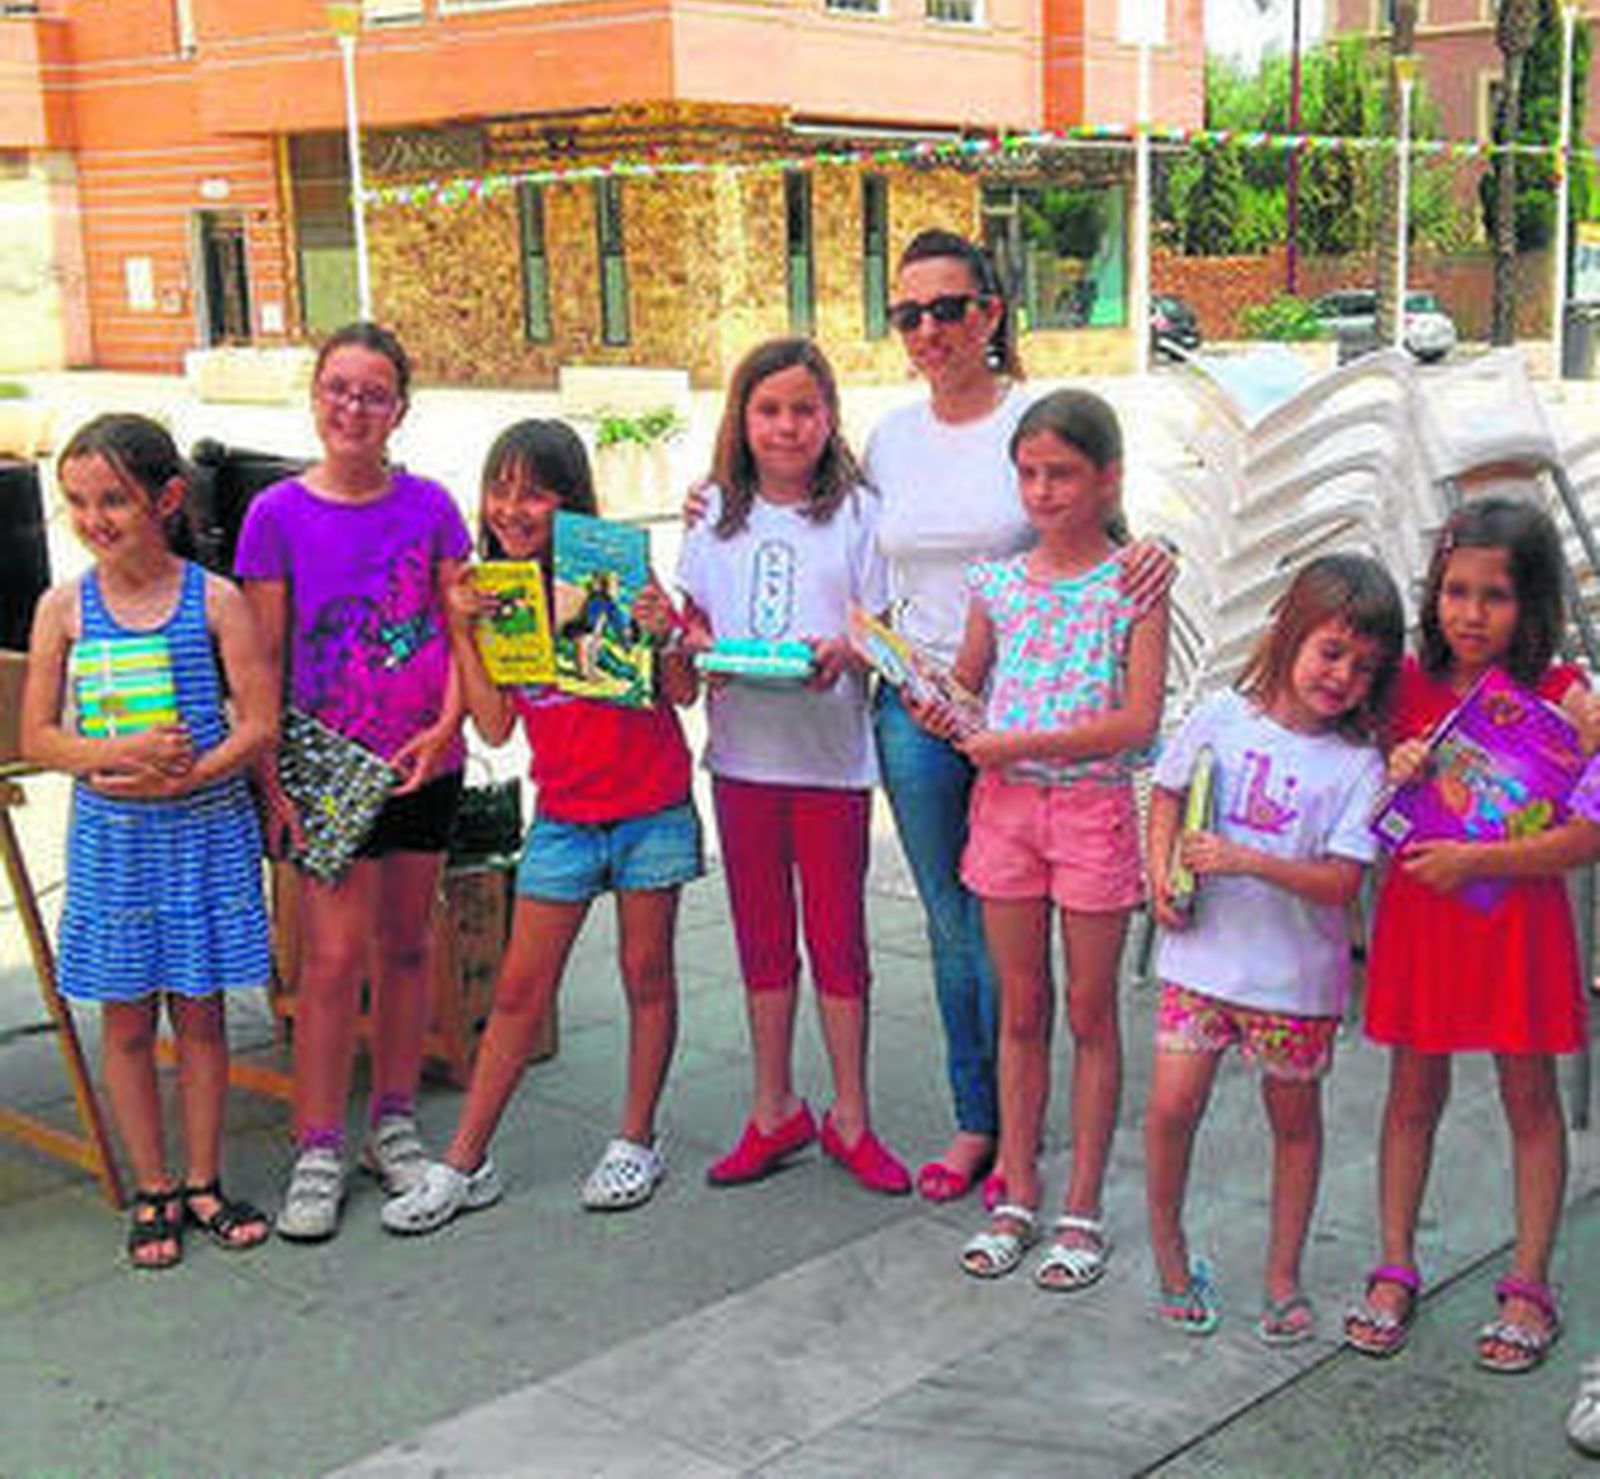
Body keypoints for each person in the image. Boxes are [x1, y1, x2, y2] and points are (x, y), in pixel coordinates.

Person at [864, 228, 1174, 1207]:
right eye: (907, 313)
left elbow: (1106, 540)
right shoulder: (889, 437)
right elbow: (840, 531)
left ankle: (1036, 1152)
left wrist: (1155, 550)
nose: (928, 329)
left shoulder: (1040, 421)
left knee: (1062, 978)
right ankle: (981, 1125)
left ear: (990, 313)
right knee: (959, 931)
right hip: (929, 709)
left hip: (1048, 746)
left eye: (947, 308)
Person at [381, 419, 702, 1234]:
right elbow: (492, 729)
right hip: (563, 815)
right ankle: (465, 1160)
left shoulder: (616, 573)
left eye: (534, 489)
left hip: (649, 807)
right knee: (520, 990)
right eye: (500, 487)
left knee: (646, 972)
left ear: (572, 498)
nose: (512, 507)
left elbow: (682, 693)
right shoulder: (499, 595)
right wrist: (461, 626)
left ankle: (637, 1138)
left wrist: (665, 631)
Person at [1344, 497, 1600, 1373]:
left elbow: (1592, 830)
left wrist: (1488, 856)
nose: (1471, 612)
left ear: (1534, 602)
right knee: (1411, 1094)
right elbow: (1360, 810)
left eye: (1495, 594)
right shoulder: (1401, 687)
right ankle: (1393, 1262)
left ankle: (1529, 1280)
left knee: (1531, 1100)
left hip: (1519, 926)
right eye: (1455, 590)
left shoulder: (1567, 697)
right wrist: (1393, 767)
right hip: (1422, 920)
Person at [918, 389, 1168, 1284]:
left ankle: (1083, 1205)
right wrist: (934, 703)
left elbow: (1137, 721)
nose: (1043, 490)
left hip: (1092, 810)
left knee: (1091, 1011)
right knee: (1020, 1009)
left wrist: (1017, 742)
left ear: (1108, 478)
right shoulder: (997, 582)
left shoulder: (1134, 584)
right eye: (1028, 472)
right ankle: (1018, 1190)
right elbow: (968, 694)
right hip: (1007, 816)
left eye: (1061, 472)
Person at [20, 415, 276, 1268]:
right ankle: (153, 1184)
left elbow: (260, 721)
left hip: (201, 835)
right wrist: (111, 755)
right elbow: (41, 734)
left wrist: (195, 771)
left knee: (201, 1018)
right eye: (79, 504)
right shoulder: (62, 608)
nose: (96, 519)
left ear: (166, 499)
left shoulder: (215, 599)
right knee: (127, 1023)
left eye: (115, 500)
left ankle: (204, 1178)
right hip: (114, 844)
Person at [235, 322, 472, 1242]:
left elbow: (461, 630)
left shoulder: (434, 508)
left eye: (374, 394)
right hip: (326, 766)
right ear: (315, 395)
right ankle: (319, 1142)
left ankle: (395, 1119)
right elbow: (259, 661)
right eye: (339, 388)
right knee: (332, 960)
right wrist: (272, 776)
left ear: (400, 410)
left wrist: (447, 725)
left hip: (424, 760)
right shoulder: (276, 516)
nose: (354, 408)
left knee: (408, 945)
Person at [1144, 556, 1404, 1339]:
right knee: (1168, 1107)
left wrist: (1245, 859)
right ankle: (1169, 1249)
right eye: (1331, 651)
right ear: (1290, 631)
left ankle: (1283, 1271)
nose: (1342, 676)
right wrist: (1159, 874)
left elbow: (1339, 883)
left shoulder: (1358, 764)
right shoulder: (1222, 714)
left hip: (1293, 983)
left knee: (1294, 1122)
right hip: (1199, 963)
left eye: (1364, 667)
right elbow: (1164, 792)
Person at [677, 337, 910, 1194]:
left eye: (804, 409)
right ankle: (773, 1106)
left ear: (830, 417)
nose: (786, 426)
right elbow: (691, 621)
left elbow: (879, 629)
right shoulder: (711, 517)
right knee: (763, 941)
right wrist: (696, 645)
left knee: (840, 941)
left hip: (830, 765)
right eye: (769, 409)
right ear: (742, 417)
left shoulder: (859, 514)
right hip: (742, 760)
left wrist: (844, 651)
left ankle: (851, 1115)